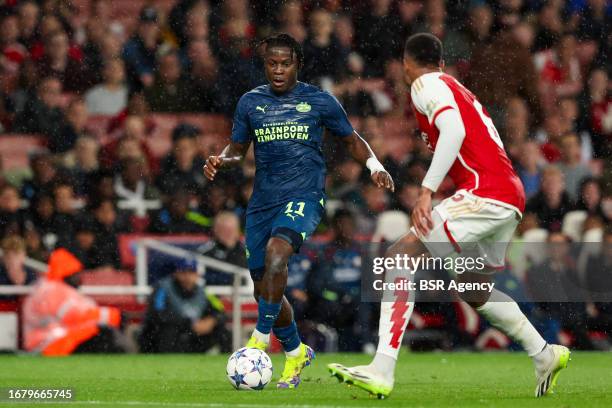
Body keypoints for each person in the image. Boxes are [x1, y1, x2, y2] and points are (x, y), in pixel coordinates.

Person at [328, 33, 569, 399]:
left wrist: (426, 191)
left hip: (484, 191)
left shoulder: (425, 83)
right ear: (441, 61)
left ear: (408, 64)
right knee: (475, 290)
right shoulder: (454, 86)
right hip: (508, 194)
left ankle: (381, 369)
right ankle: (544, 353)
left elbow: (453, 130)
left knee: (399, 255)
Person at [204, 33, 393, 389]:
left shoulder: (319, 101)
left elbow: (351, 139)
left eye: (285, 63)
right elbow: (237, 148)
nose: (278, 70)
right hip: (262, 203)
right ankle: (295, 353)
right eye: (272, 63)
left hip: (304, 196)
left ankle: (259, 339)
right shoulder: (250, 103)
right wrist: (221, 160)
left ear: (298, 65)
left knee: (278, 255)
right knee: (265, 290)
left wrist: (374, 165)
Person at [22, 248, 123, 355]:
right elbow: (76, 316)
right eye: (75, 274)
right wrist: (114, 316)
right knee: (101, 332)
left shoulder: (54, 288)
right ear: (67, 273)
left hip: (53, 339)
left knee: (100, 331)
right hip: (48, 342)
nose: (79, 278)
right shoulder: (53, 290)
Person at [139, 258, 230, 353]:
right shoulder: (163, 288)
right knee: (167, 330)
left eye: (191, 272)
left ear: (197, 275)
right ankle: (165, 360)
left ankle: (227, 360)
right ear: (176, 273)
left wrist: (211, 320)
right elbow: (157, 313)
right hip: (171, 333)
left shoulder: (203, 291)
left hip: (194, 333)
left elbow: (220, 311)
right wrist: (188, 324)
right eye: (183, 272)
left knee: (222, 331)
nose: (187, 277)